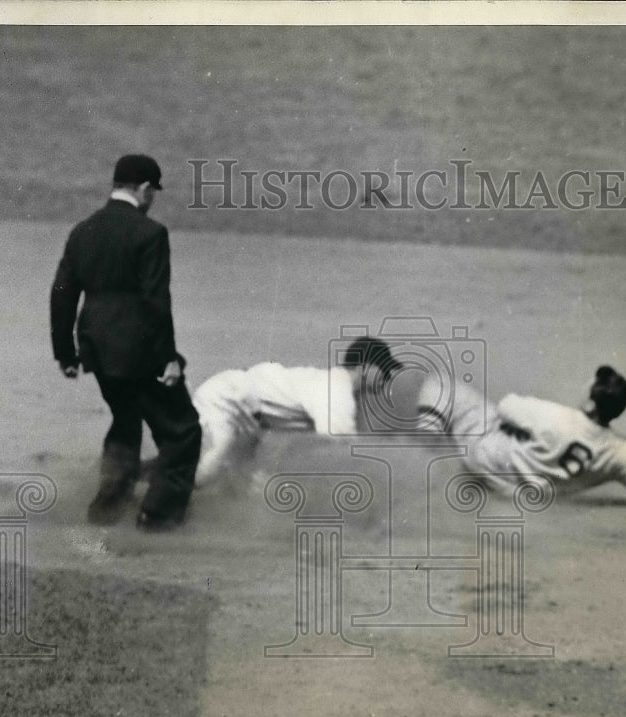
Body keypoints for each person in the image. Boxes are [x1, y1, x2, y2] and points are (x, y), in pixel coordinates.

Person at [50, 154, 202, 531]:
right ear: (146, 189)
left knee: (126, 419)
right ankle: (158, 518)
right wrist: (168, 357)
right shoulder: (150, 233)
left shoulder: (83, 230)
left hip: (98, 351)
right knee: (182, 432)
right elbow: (155, 301)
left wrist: (65, 353)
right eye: (154, 192)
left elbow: (62, 294)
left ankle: (107, 509)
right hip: (141, 351)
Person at [416, 365, 626, 506]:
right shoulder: (622, 453)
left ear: (589, 402)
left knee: (440, 383)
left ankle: (419, 464)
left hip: (480, 457)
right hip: (517, 495)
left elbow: (506, 407)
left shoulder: (555, 416)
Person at [192, 336, 402, 486]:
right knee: (211, 466)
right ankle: (165, 511)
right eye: (384, 368)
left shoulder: (333, 385)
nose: (388, 376)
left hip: (244, 412)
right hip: (228, 398)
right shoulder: (336, 389)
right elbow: (342, 447)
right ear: (366, 367)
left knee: (240, 481)